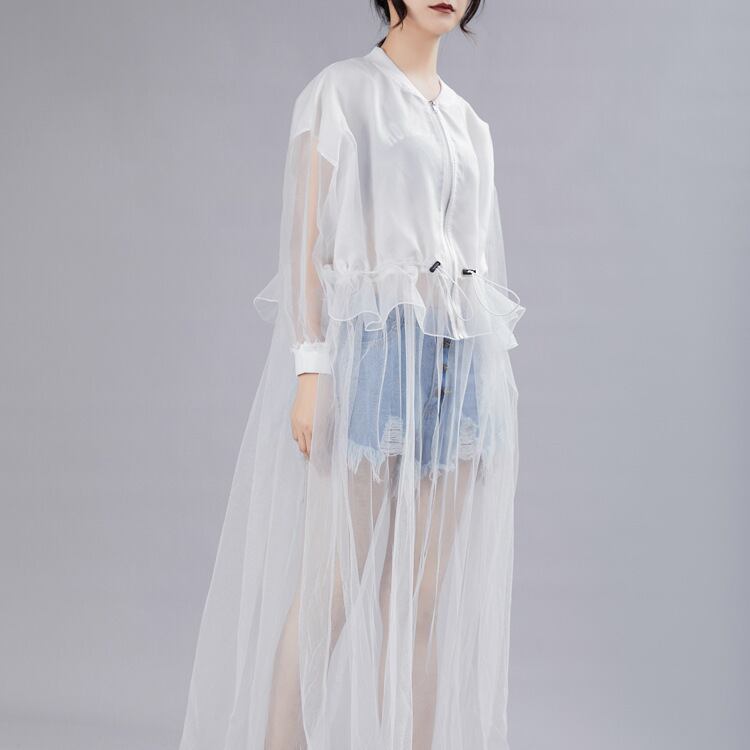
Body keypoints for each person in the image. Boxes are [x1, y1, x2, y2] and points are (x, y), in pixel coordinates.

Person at [179, 2, 525, 748]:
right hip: (374, 353)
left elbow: (477, 261)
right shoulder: (341, 92)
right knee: (332, 588)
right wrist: (312, 367)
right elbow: (304, 239)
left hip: (459, 362)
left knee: (422, 598)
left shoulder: (471, 125)